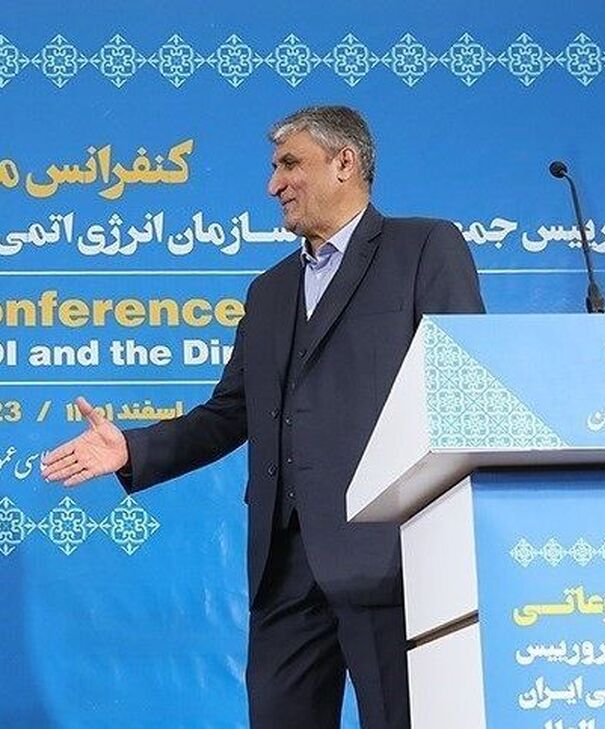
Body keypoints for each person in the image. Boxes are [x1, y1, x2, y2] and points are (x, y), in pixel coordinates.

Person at [42, 106, 484, 729]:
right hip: (285, 571)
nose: (274, 184)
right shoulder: (269, 290)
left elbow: (462, 386)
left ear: (345, 162)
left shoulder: (424, 248)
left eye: (289, 164)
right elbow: (229, 414)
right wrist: (131, 450)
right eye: (275, 168)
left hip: (391, 556)